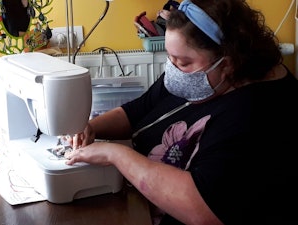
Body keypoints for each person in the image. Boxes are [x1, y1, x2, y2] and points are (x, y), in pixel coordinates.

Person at [64, 0, 298, 224]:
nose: (173, 70)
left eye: (183, 63)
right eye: (170, 58)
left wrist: (116, 155)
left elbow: (203, 209)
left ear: (227, 64)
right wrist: (91, 127)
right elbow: (138, 109)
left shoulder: (260, 113)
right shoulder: (199, 77)